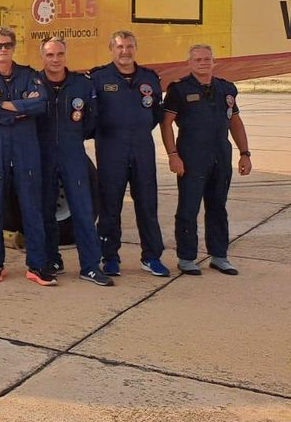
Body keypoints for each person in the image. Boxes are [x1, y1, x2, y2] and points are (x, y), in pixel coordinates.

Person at [0, 27, 54, 285]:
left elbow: (41, 104)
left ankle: (37, 265)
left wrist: (5, 106)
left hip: (26, 146)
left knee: (32, 205)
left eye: (6, 45)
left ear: (13, 47)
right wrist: (20, 109)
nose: (2, 50)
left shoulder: (28, 75)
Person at [160, 45, 252, 275]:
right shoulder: (179, 90)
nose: (202, 63)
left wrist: (245, 153)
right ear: (189, 63)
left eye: (206, 59)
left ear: (214, 62)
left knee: (218, 207)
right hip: (191, 157)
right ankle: (186, 257)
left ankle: (219, 256)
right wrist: (173, 155)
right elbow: (166, 123)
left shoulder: (226, 89)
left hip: (220, 156)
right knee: (188, 209)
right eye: (197, 59)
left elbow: (235, 122)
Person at [90, 31, 169, 277]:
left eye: (129, 46)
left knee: (147, 203)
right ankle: (110, 256)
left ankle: (151, 256)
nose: (125, 51)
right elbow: (92, 116)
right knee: (110, 205)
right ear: (111, 49)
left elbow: (156, 114)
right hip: (111, 149)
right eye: (120, 47)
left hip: (142, 148)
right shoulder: (98, 78)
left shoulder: (149, 78)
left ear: (136, 48)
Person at [36, 38, 111, 286]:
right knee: (45, 209)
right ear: (43, 57)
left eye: (59, 54)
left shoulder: (81, 83)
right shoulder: (33, 83)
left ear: (65, 56)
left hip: (72, 152)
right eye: (49, 55)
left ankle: (89, 266)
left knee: (82, 210)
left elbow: (91, 120)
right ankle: (51, 259)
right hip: (43, 153)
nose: (55, 59)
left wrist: (72, 137)